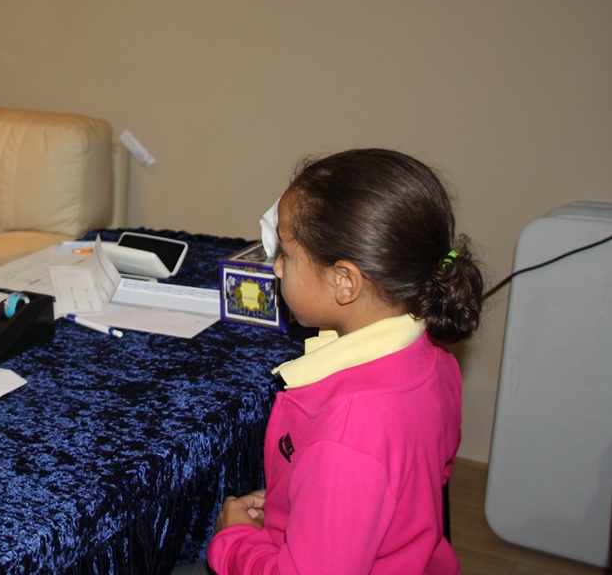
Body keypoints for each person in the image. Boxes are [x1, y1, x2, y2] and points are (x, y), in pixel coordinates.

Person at [207, 149, 483, 574]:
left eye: (287, 254)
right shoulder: (433, 358)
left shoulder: (347, 438)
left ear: (344, 281)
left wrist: (234, 541)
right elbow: (421, 481)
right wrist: (306, 501)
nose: (276, 267)